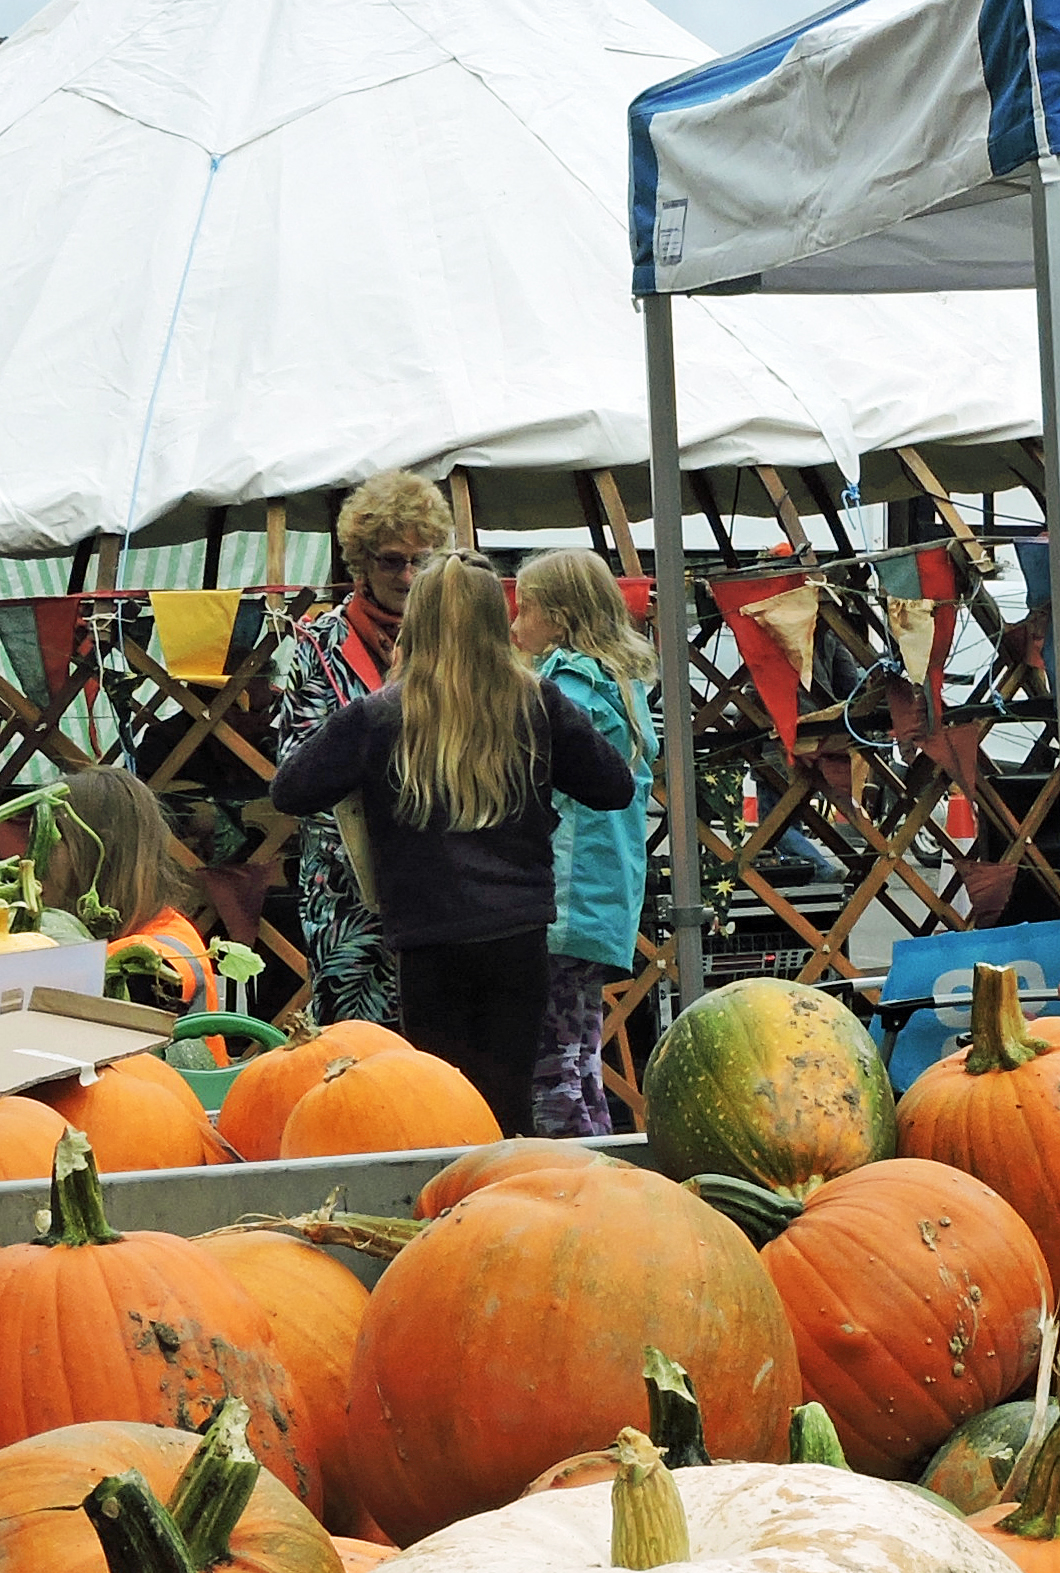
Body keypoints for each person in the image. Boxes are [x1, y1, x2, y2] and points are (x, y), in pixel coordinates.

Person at [267, 555, 633, 1131]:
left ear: (417, 624)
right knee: (508, 1101)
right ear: (498, 620)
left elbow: (290, 789)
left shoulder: (379, 715)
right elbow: (614, 786)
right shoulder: (539, 703)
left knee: (443, 1103)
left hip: (427, 936)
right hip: (518, 931)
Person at [265, 470, 455, 1027]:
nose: (407, 574)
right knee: (357, 1053)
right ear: (361, 561)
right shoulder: (319, 644)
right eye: (391, 560)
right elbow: (299, 765)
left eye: (421, 560)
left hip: (447, 885)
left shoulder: (453, 641)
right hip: (351, 891)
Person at [510, 549, 656, 1136]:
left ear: (561, 617)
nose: (515, 625)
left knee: (553, 1067)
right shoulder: (623, 683)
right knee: (580, 1054)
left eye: (526, 610)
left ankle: (577, 1179)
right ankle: (604, 1165)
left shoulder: (568, 685)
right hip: (605, 901)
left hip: (565, 903)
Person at [34, 766, 219, 1009]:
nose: (33, 859)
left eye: (50, 841)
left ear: (102, 850)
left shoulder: (152, 959)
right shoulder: (160, 929)